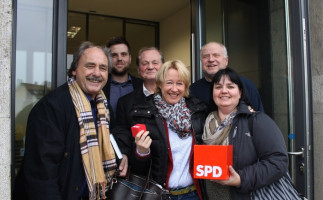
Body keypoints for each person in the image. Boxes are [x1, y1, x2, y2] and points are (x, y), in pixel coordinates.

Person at [22, 41, 128, 200]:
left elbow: (112, 136)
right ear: (74, 70)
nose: (97, 73)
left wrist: (122, 154)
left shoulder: (103, 107)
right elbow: (42, 174)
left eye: (103, 68)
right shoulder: (51, 107)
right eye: (90, 66)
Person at [119, 60, 208, 200]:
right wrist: (141, 152)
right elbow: (138, 170)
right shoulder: (143, 114)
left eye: (179, 83)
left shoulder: (198, 111)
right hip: (159, 195)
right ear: (159, 84)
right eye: (169, 83)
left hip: (193, 194)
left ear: (185, 86)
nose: (174, 89)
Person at [202, 67, 288, 200]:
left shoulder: (256, 121)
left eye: (230, 86)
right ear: (212, 92)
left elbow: (278, 161)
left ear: (240, 92)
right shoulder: (205, 122)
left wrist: (241, 179)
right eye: (218, 87)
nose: (224, 91)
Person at [112, 47, 164, 157]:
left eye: (155, 63)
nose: (150, 67)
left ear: (164, 67)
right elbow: (123, 135)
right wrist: (124, 154)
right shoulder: (125, 103)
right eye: (145, 63)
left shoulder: (175, 96)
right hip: (141, 165)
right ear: (139, 70)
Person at [190, 42, 264, 112]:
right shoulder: (192, 90)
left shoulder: (245, 85)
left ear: (226, 60)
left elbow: (259, 119)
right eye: (206, 56)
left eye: (216, 55)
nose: (211, 59)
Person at [102, 36, 142, 125]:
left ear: (130, 58)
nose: (119, 59)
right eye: (114, 55)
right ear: (107, 59)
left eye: (123, 54)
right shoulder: (100, 87)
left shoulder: (141, 86)